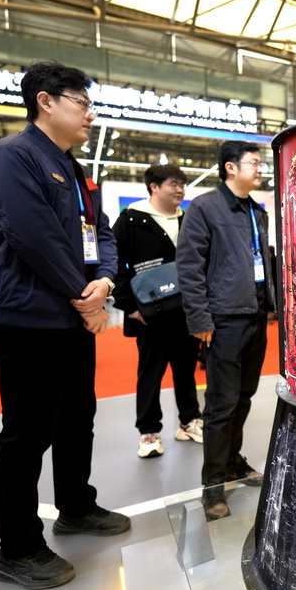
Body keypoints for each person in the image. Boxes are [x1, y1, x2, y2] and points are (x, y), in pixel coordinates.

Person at [0, 60, 130, 590]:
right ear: (45, 101)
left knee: (75, 419)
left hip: (71, 315)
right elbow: (33, 236)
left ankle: (76, 506)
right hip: (27, 319)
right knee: (27, 433)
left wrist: (104, 280)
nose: (90, 114)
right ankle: (17, 548)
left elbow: (100, 232)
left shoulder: (75, 169)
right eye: (82, 102)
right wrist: (86, 300)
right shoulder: (13, 156)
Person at [178, 141, 274, 520]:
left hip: (256, 316)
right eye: (254, 163)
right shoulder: (205, 208)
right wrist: (200, 319)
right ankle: (213, 486)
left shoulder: (257, 211)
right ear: (230, 167)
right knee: (221, 404)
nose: (260, 169)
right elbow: (189, 267)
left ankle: (233, 462)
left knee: (244, 397)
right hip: (223, 319)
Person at [112, 164, 203, 458]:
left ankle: (189, 421)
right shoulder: (131, 220)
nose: (180, 190)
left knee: (186, 371)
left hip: (186, 312)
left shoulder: (188, 220)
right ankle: (149, 432)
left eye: (183, 184)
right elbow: (114, 264)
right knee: (150, 374)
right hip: (149, 316)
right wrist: (129, 306)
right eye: (174, 184)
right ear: (154, 186)